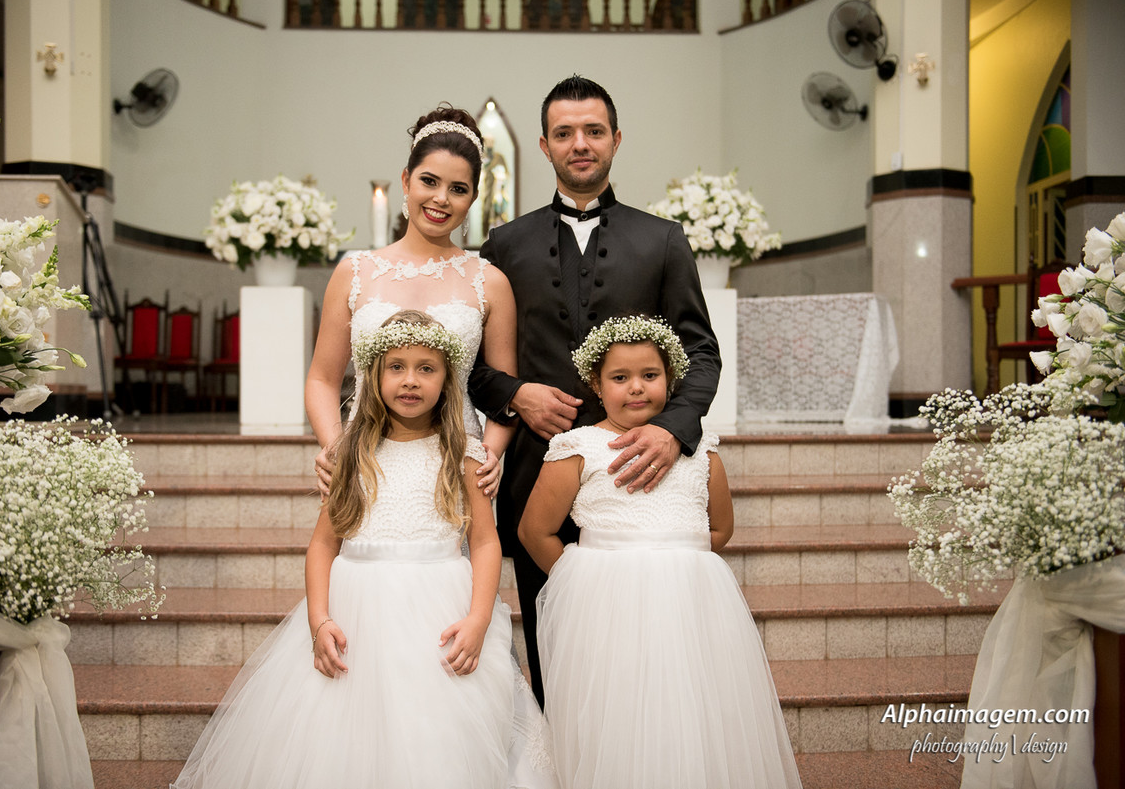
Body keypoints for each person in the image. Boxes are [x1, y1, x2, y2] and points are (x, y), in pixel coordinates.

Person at [175, 311, 556, 789]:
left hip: (441, 609)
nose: (410, 380)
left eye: (426, 368)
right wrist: (319, 620)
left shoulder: (465, 453)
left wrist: (479, 618)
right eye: (395, 366)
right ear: (373, 375)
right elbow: (321, 546)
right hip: (356, 612)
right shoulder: (350, 453)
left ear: (448, 378)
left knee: (435, 735)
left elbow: (483, 541)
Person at [468, 76, 721, 704]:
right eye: (564, 133)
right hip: (536, 469)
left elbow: (702, 351)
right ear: (545, 146)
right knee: (551, 632)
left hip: (641, 468)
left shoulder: (662, 239)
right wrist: (517, 393)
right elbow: (469, 365)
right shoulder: (503, 244)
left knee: (651, 641)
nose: (580, 144)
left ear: (614, 140)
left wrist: (672, 428)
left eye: (593, 131)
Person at [519, 316, 800, 789]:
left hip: (689, 603)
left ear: (670, 379)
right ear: (595, 383)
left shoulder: (701, 450)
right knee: (617, 705)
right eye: (620, 378)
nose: (636, 388)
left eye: (650, 376)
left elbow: (721, 529)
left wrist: (675, 560)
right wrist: (583, 575)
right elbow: (535, 531)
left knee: (693, 706)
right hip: (605, 602)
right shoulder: (579, 447)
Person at [306, 105, 517, 500]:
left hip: (456, 461)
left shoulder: (490, 282)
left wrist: (490, 454)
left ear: (472, 197)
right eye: (429, 181)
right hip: (366, 456)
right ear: (406, 180)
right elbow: (322, 378)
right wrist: (335, 447)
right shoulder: (354, 272)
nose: (441, 199)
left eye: (458, 189)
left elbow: (506, 391)